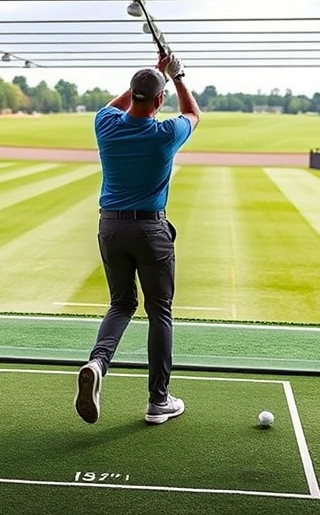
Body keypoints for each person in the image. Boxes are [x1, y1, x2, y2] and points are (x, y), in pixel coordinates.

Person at [74, 51, 200, 426]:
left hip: (110, 228)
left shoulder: (105, 123)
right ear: (160, 100)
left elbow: (119, 103)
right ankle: (158, 401)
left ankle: (98, 363)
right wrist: (177, 77)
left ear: (131, 92)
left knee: (121, 304)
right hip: (150, 231)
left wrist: (155, 75)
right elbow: (193, 114)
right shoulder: (165, 133)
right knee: (159, 311)